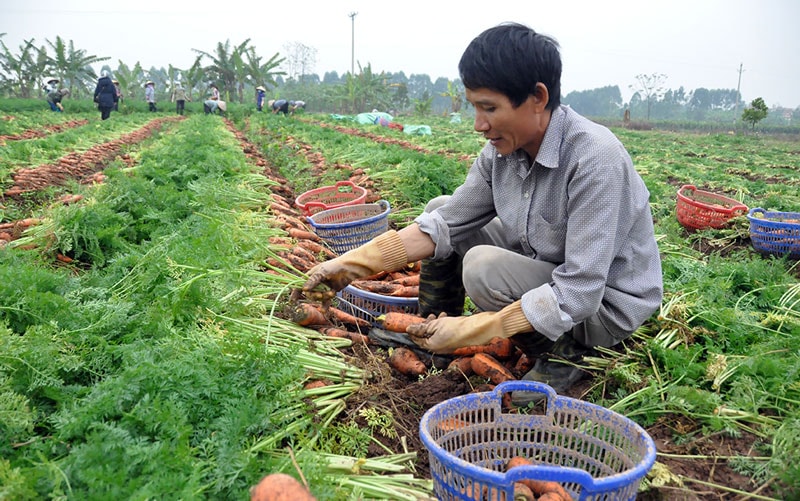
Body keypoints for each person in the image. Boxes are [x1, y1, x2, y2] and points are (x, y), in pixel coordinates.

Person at [299, 22, 663, 402]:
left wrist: (475, 329)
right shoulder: (503, 152)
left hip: (600, 306)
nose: (479, 124)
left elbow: (581, 290)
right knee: (439, 208)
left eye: (489, 108)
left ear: (537, 97)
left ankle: (563, 354)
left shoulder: (594, 158)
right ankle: (429, 331)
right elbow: (445, 223)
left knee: (483, 268)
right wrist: (350, 265)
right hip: (548, 266)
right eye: (475, 107)